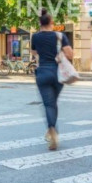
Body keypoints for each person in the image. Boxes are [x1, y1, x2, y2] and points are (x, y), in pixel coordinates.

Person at [31, 8, 73, 150]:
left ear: (40, 22)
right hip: (58, 73)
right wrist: (59, 53)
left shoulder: (35, 37)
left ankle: (52, 130)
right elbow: (70, 54)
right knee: (53, 103)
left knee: (48, 104)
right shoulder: (60, 36)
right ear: (52, 22)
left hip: (42, 72)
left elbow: (34, 52)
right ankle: (52, 130)